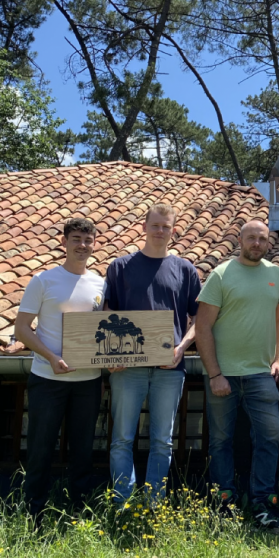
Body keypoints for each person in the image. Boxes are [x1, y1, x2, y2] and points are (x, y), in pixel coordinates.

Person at [196, 219, 279, 533]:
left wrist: (278, 358)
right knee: (221, 442)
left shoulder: (276, 275)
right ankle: (223, 503)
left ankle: (263, 504)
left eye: (262, 239)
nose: (256, 243)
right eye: (251, 237)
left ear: (268, 243)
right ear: (239, 240)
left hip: (261, 375)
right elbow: (202, 327)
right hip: (222, 376)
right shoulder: (221, 274)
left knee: (268, 438)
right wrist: (214, 374)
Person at [104, 204, 200, 504]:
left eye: (166, 226)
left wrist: (180, 348)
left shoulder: (186, 269)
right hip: (127, 369)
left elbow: (199, 321)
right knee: (122, 440)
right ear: (144, 227)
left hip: (169, 370)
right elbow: (108, 314)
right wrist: (112, 356)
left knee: (162, 441)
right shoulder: (120, 266)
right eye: (155, 225)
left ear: (173, 231)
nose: (160, 231)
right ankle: (123, 506)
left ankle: (153, 507)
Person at [14, 217, 106, 521]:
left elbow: (102, 331)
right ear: (63, 242)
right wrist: (51, 357)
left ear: (95, 244)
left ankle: (80, 513)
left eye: (88, 239)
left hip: (88, 381)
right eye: (76, 238)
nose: (82, 245)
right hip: (47, 379)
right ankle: (33, 514)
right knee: (40, 448)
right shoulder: (43, 281)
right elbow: (23, 330)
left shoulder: (100, 284)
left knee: (83, 451)